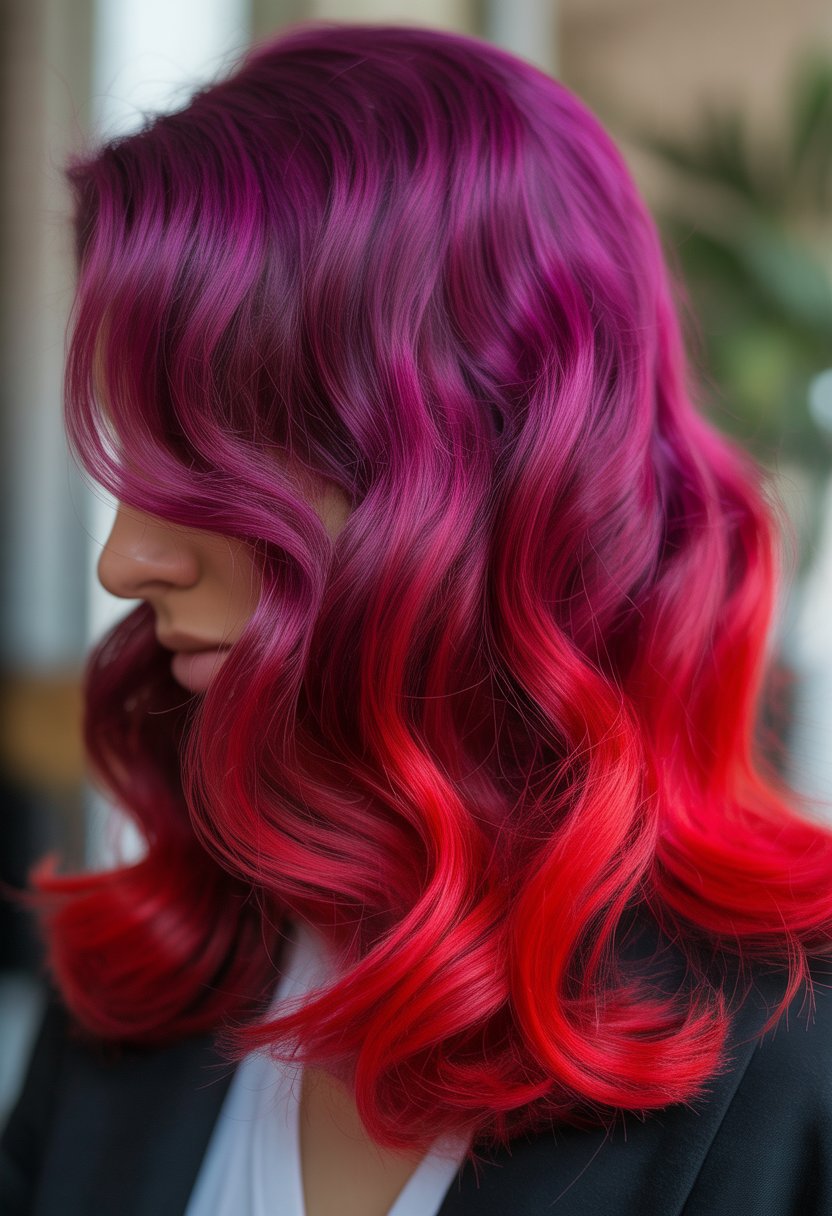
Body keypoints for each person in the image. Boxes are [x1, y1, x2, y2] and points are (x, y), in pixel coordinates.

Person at [2, 20, 832, 1216]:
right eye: (136, 458)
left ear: (487, 460)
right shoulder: (144, 983)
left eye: (215, 456)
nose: (130, 558)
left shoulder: (792, 1067)